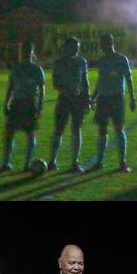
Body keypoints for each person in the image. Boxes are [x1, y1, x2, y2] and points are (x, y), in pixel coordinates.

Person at [88, 33, 136, 172]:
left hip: (116, 98)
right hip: (103, 98)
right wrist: (94, 96)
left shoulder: (121, 59)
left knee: (118, 129)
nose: (102, 46)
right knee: (102, 130)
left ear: (110, 43)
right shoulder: (102, 60)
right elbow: (101, 80)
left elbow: (128, 79)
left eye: (103, 43)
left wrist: (132, 98)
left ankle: (122, 162)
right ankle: (99, 162)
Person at [0, 42, 45, 172]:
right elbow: (11, 87)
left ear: (32, 53)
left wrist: (39, 106)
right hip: (16, 103)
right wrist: (6, 103)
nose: (25, 53)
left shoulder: (37, 69)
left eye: (28, 51)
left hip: (30, 103)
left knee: (30, 134)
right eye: (23, 51)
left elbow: (42, 89)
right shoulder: (16, 68)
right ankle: (6, 163)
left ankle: (27, 165)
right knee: (8, 133)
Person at [49, 37, 91, 172]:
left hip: (78, 101)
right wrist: (66, 91)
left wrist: (87, 98)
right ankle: (52, 161)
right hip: (64, 99)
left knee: (76, 129)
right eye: (75, 47)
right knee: (59, 129)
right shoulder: (59, 62)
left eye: (78, 47)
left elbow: (85, 81)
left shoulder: (81, 62)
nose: (77, 50)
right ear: (67, 47)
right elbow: (55, 83)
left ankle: (74, 162)